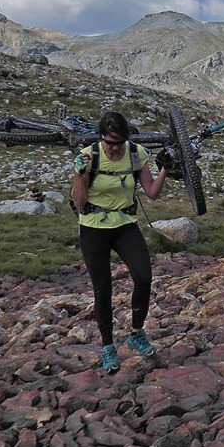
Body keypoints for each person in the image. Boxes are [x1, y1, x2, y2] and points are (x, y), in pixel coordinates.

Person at [70, 110, 167, 372]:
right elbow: (79, 203)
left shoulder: (135, 153)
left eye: (118, 143)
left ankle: (137, 333)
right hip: (93, 228)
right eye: (109, 143)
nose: (114, 149)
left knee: (144, 276)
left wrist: (166, 168)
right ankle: (108, 347)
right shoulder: (90, 156)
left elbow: (152, 193)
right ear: (101, 137)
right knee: (103, 288)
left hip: (125, 225)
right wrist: (80, 173)